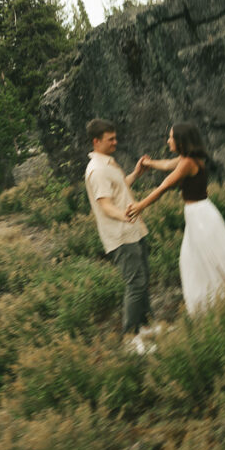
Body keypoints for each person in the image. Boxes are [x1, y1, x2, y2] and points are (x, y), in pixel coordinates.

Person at [126, 122, 225, 315]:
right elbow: (167, 165)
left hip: (201, 217)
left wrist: (141, 205)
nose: (168, 141)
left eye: (171, 137)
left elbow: (164, 186)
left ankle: (222, 303)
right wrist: (148, 163)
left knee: (208, 258)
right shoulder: (189, 159)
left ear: (181, 141)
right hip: (200, 214)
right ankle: (220, 302)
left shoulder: (187, 163)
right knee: (201, 258)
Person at [84, 118, 153, 339]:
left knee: (143, 280)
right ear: (96, 141)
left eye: (115, 137)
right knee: (136, 284)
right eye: (110, 139)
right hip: (121, 235)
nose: (116, 142)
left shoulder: (108, 163)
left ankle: (147, 327)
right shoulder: (97, 170)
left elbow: (119, 188)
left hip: (134, 230)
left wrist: (136, 173)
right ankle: (131, 337)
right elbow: (105, 205)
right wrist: (124, 216)